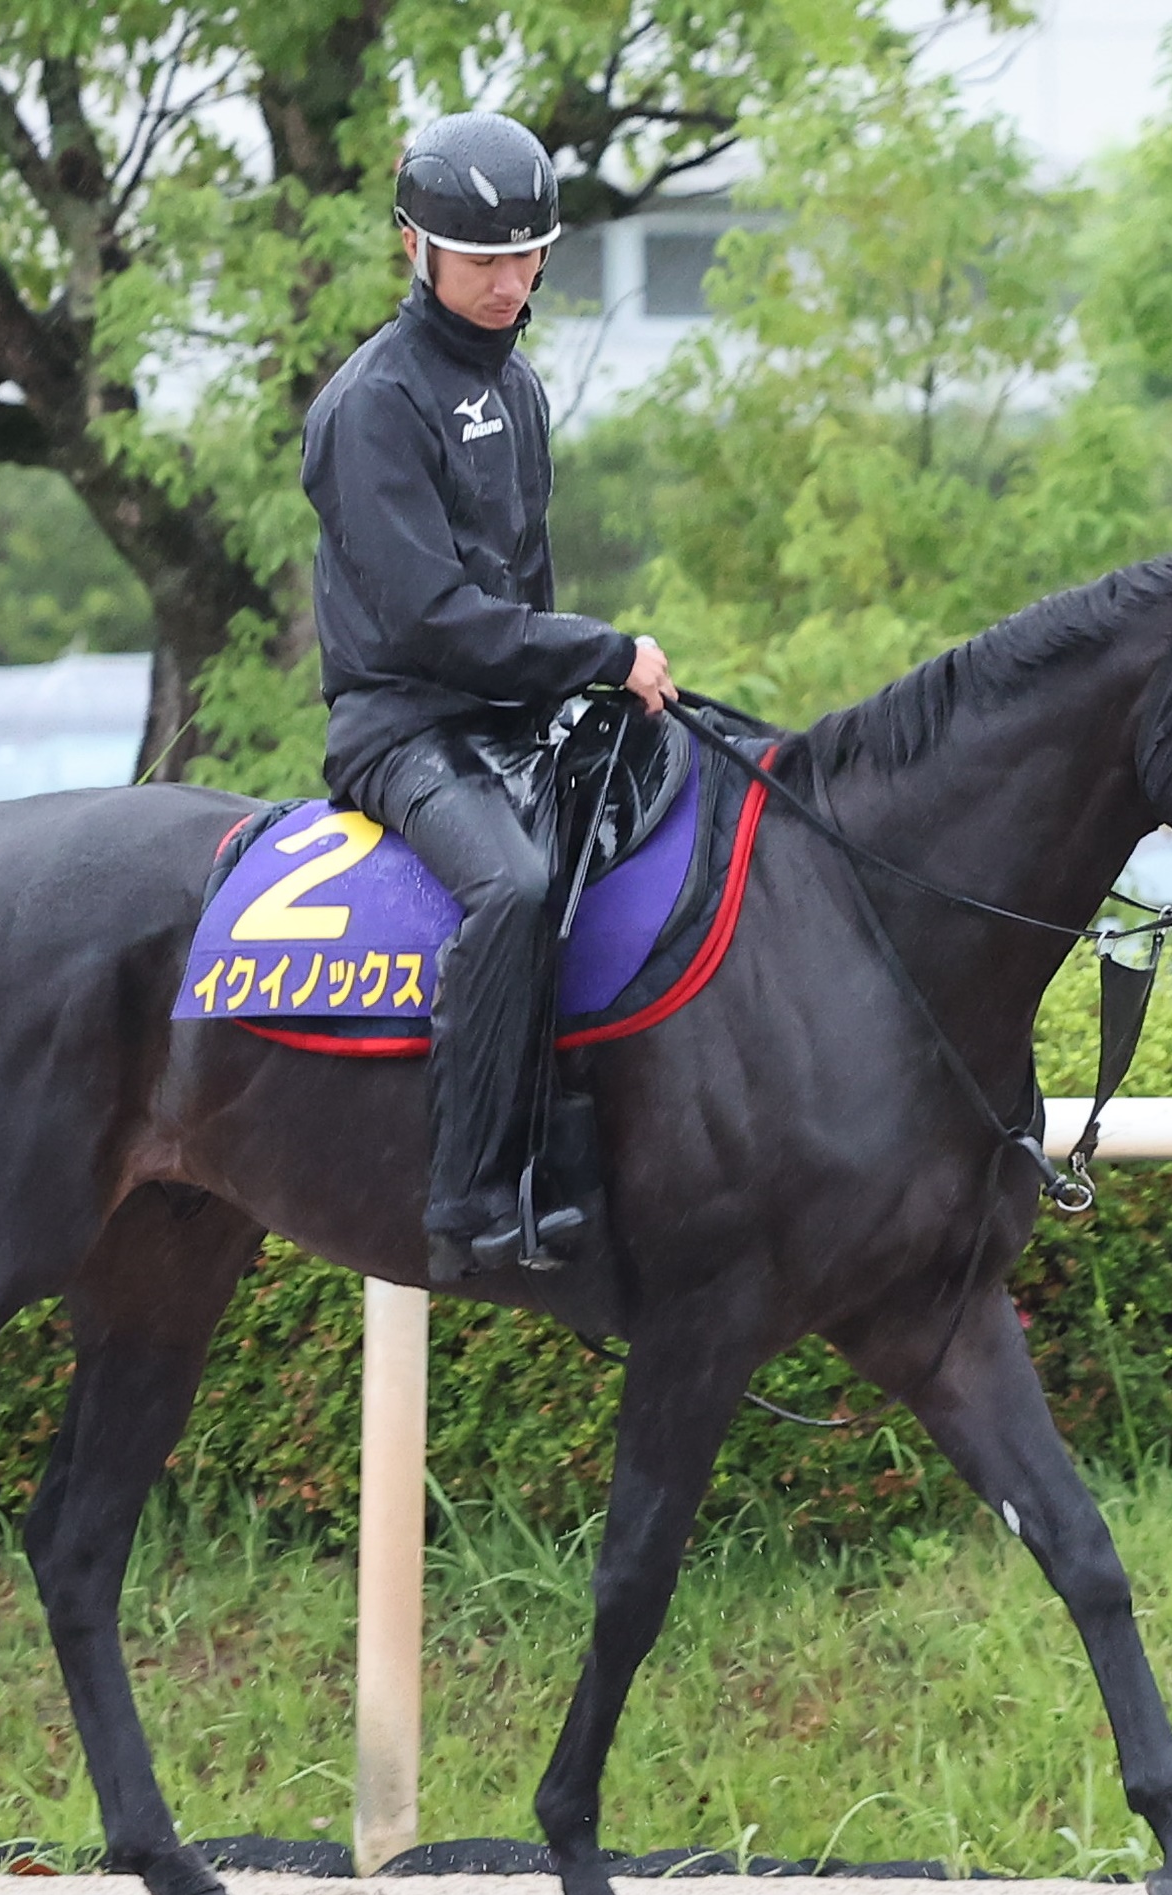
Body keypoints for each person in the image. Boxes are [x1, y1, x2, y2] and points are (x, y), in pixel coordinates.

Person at [303, 110, 677, 1280]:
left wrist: (588, 685)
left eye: (529, 256)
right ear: (412, 246)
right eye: (484, 260)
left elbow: (529, 586)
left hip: (510, 721)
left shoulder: (515, 390)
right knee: (514, 888)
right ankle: (466, 1195)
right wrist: (599, 651)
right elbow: (432, 620)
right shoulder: (372, 403)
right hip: (401, 726)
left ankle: (575, 1145)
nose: (511, 281)